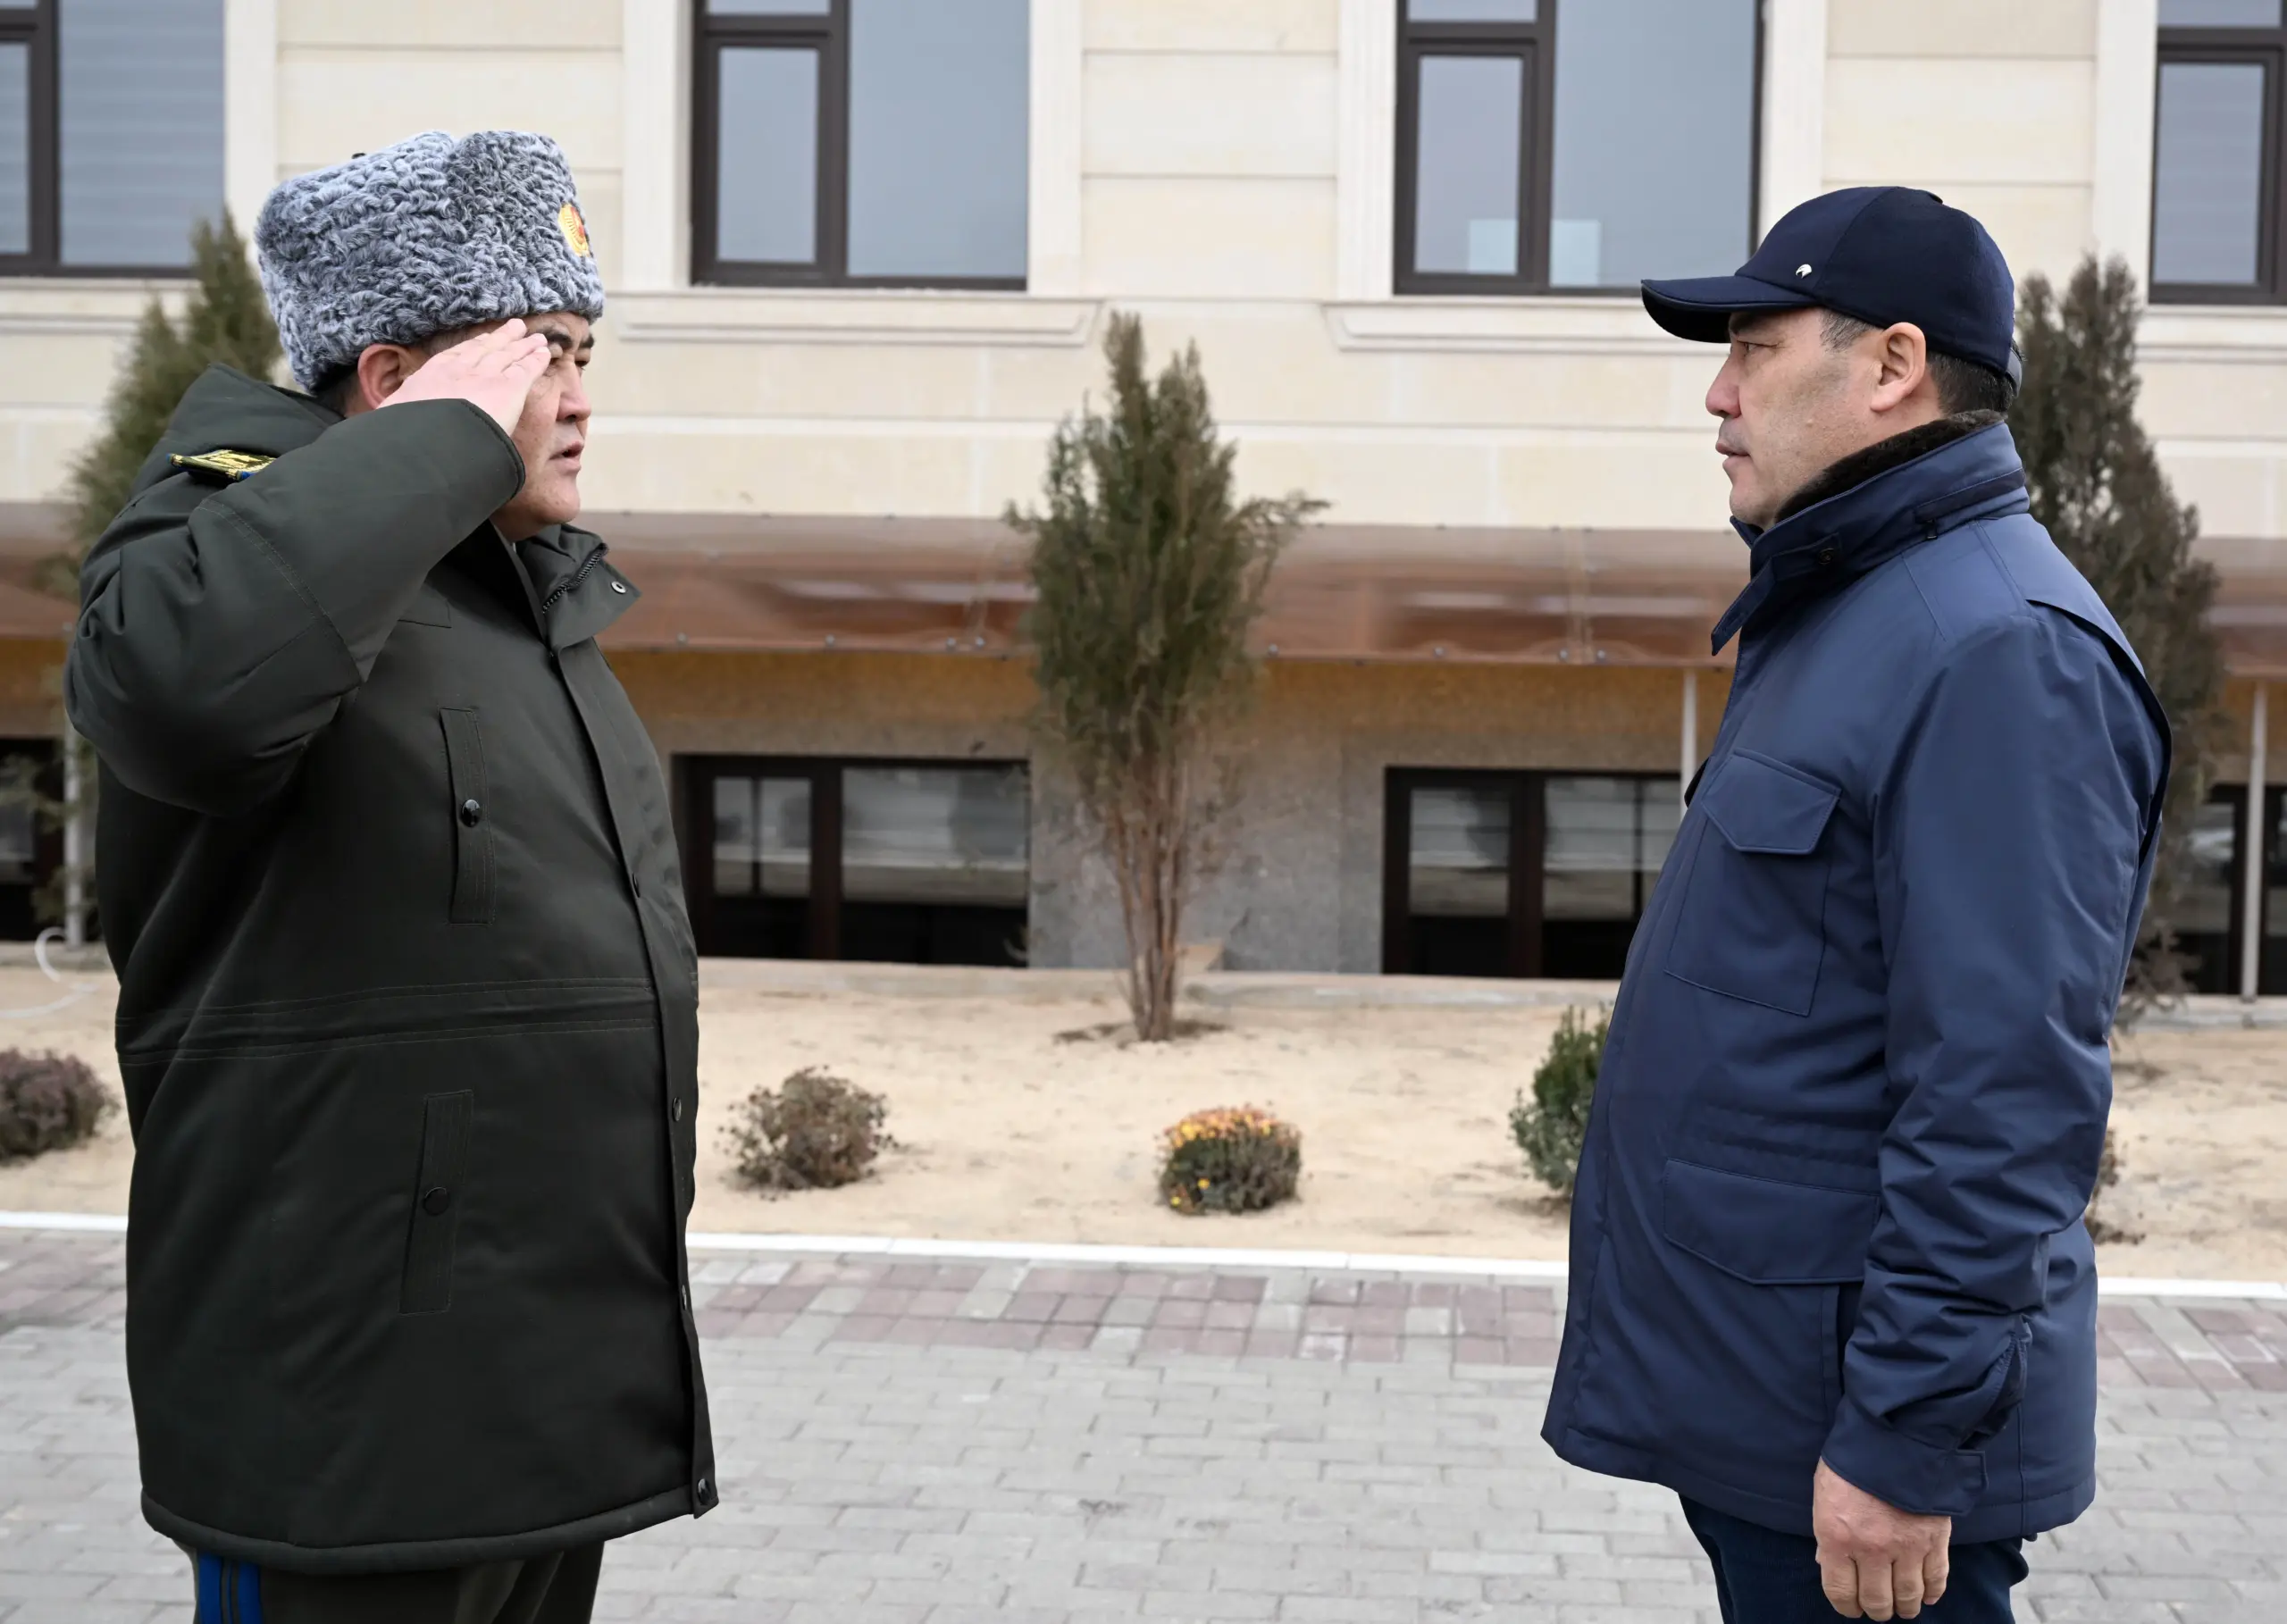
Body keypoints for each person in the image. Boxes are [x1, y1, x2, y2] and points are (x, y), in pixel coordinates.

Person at [65, 130, 712, 1624]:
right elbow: (182, 686)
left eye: (585, 346)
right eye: (543, 351)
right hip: (345, 1436)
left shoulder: (508, 598)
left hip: (531, 1409)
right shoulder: (214, 548)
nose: (581, 393)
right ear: (392, 380)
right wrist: (439, 447)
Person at [1540, 187, 2170, 1623]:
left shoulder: (1996, 648)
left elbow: (2004, 1096)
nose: (1716, 392)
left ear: (1891, 366)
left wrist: (1900, 1439)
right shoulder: (1857, 608)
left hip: (1858, 1449)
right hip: (1779, 1408)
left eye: (1754, 347)